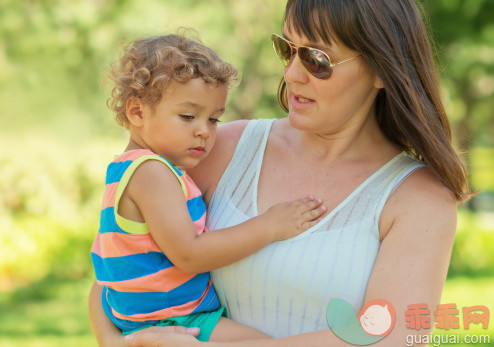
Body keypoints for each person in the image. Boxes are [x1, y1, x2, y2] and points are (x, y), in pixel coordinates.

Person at [89, 0, 470, 345]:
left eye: (317, 59)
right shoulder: (219, 149)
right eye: (287, 49)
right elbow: (120, 263)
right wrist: (119, 344)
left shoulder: (419, 197)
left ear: (382, 68)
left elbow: (392, 336)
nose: (292, 73)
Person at [90, 33, 327, 343]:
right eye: (187, 116)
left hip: (148, 317)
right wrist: (269, 225)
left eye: (214, 119)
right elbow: (189, 254)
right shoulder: (152, 172)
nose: (203, 131)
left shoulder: (127, 170)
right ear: (137, 112)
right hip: (175, 319)